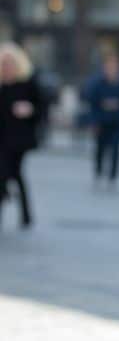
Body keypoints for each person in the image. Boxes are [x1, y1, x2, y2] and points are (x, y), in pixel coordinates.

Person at [0, 42, 45, 228]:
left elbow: (42, 109)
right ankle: (24, 214)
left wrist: (30, 110)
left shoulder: (28, 84)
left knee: (12, 173)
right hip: (1, 139)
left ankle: (24, 213)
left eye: (10, 63)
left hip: (19, 140)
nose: (6, 67)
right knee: (8, 174)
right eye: (3, 63)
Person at [84, 53, 119, 188]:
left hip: (117, 121)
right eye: (109, 66)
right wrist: (94, 121)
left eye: (114, 67)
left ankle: (112, 176)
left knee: (116, 149)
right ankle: (99, 172)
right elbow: (91, 101)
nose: (111, 69)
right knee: (100, 149)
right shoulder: (97, 82)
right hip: (102, 121)